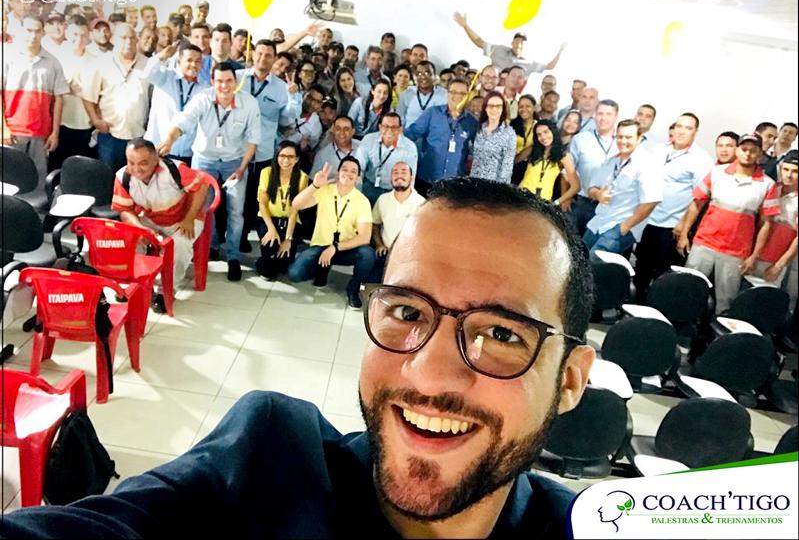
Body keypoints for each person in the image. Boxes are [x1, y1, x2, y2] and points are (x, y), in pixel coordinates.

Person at [0, 177, 595, 539]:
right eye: (407, 311)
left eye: (502, 334)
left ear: (570, 380)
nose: (429, 372)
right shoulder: (269, 457)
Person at [156, 62, 262, 281]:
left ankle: (233, 256)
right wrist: (169, 140)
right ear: (212, 81)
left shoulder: (249, 103)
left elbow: (253, 139)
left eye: (229, 81)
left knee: (235, 210)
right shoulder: (203, 99)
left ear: (236, 82)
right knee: (202, 207)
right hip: (205, 160)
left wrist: (242, 168)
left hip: (234, 161)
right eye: (219, 81)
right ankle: (210, 246)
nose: (225, 86)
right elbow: (183, 121)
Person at [678, 133, 780, 313]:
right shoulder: (717, 172)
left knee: (726, 301)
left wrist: (754, 256)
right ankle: (682, 325)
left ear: (760, 154)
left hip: (736, 252)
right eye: (744, 149)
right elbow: (697, 203)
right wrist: (684, 234)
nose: (747, 153)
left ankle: (717, 330)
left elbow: (766, 224)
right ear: (737, 150)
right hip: (704, 243)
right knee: (688, 290)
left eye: (753, 150)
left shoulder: (767, 184)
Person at [111, 139, 209, 312]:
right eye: (131, 163)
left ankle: (166, 292)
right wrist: (140, 228)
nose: (136, 169)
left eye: (143, 163)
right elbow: (124, 210)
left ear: (155, 159)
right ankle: (136, 284)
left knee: (179, 245)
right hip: (152, 218)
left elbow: (202, 188)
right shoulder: (123, 176)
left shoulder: (174, 169)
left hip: (185, 217)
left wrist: (189, 218)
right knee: (130, 238)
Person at [633, 113, 714, 302]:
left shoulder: (701, 159)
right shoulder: (659, 150)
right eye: (679, 126)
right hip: (647, 220)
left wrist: (683, 225)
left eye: (688, 128)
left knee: (663, 277)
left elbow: (700, 199)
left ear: (695, 132)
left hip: (672, 226)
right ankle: (635, 308)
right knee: (641, 270)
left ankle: (656, 310)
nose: (682, 131)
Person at [237, 39, 300, 253]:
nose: (263, 58)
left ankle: (243, 236)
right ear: (253, 54)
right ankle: (222, 239)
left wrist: (293, 97)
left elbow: (286, 119)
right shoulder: (237, 78)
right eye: (260, 53)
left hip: (262, 153)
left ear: (274, 59)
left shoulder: (282, 88)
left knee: (252, 200)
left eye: (268, 55)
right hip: (235, 151)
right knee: (231, 199)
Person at [288, 157, 375, 309]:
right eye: (345, 169)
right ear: (338, 172)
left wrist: (335, 247)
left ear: (358, 177)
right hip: (320, 246)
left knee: (367, 254)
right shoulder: (325, 190)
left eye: (353, 171)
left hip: (345, 249)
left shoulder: (362, 201)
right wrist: (314, 185)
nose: (348, 173)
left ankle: (353, 290)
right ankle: (322, 269)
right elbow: (296, 204)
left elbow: (365, 237)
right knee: (295, 274)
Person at [2, 15, 68, 184]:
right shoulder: (7, 57)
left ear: (43, 33)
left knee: (37, 180)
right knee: (8, 180)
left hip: (41, 133)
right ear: (20, 31)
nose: (33, 35)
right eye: (28, 30)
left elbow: (58, 100)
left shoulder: (53, 63)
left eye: (37, 31)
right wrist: (3, 127)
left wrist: (55, 133)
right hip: (12, 131)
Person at [583, 119, 662, 257]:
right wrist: (598, 194)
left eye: (628, 137)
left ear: (639, 138)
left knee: (595, 262)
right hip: (599, 221)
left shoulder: (648, 164)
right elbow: (591, 188)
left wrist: (625, 227)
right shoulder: (611, 161)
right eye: (620, 137)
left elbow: (651, 201)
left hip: (620, 226)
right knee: (579, 256)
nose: (623, 141)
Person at [82, 23, 151, 172]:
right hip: (110, 134)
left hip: (138, 134)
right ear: (113, 39)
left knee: (135, 178)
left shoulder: (148, 64)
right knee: (108, 176)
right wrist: (96, 120)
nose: (128, 42)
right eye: (123, 38)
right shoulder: (101, 63)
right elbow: (88, 96)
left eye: (132, 38)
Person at [404, 77, 479, 196]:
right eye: (453, 92)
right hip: (427, 180)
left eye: (462, 93)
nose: (457, 96)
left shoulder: (472, 122)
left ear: (467, 96)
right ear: (447, 93)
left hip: (455, 185)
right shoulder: (432, 113)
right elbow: (410, 134)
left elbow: (477, 149)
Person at [143, 42, 208, 166]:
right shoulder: (165, 77)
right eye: (189, 60)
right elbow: (147, 73)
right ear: (179, 61)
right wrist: (161, 56)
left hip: (187, 151)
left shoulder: (205, 88)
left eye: (198, 61)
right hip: (158, 147)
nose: (193, 64)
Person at [46, 15, 97, 170]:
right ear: (67, 33)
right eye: (75, 34)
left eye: (83, 35)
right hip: (61, 122)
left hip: (85, 123)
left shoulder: (95, 60)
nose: (79, 39)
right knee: (57, 168)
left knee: (80, 169)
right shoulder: (55, 57)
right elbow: (49, 88)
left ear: (89, 36)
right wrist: (68, 88)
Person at [749, 150, 798, 311]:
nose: (789, 175)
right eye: (786, 169)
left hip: (774, 260)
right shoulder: (771, 187)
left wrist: (779, 266)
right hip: (751, 253)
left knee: (762, 304)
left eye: (795, 171)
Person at [565, 99, 620, 235]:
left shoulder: (622, 142)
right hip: (581, 203)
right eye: (600, 113)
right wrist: (566, 196)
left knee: (597, 246)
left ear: (616, 117)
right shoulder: (580, 139)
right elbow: (567, 171)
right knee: (573, 242)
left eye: (608, 114)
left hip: (610, 206)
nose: (603, 118)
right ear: (595, 115)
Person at [255, 141, 308, 280]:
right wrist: (271, 229)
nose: (286, 160)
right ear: (277, 156)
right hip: (269, 219)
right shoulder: (266, 173)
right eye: (282, 156)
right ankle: (264, 260)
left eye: (291, 157)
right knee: (269, 253)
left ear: (297, 159)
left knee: (284, 263)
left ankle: (277, 260)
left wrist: (288, 239)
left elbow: (294, 211)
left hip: (290, 221)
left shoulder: (302, 177)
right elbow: (262, 204)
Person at [454, 12, 567, 77]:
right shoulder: (499, 50)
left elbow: (550, 66)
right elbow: (479, 42)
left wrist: (560, 51)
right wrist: (465, 26)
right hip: (493, 88)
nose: (518, 45)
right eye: (517, 41)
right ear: (512, 43)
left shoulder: (529, 63)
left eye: (521, 43)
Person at [367, 161, 426, 282]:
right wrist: (379, 244)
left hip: (409, 257)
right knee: (369, 285)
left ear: (412, 177)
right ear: (390, 178)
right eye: (395, 172)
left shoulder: (421, 204)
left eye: (404, 172)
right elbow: (375, 224)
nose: (399, 176)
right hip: (386, 254)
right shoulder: (383, 200)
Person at [355, 112, 418, 205]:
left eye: (394, 127)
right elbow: (358, 169)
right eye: (386, 126)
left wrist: (404, 202)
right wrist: (357, 194)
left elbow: (410, 179)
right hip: (369, 185)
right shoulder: (368, 139)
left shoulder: (409, 147)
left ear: (400, 129)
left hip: (393, 190)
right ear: (380, 127)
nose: (389, 130)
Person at [519, 120, 580, 206]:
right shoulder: (533, 149)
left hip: (542, 203)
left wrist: (556, 203)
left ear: (553, 131)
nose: (543, 137)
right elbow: (512, 161)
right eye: (539, 134)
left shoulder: (563, 155)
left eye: (546, 132)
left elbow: (576, 186)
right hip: (521, 198)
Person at [469, 91, 516, 183]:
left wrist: (500, 189)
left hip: (494, 185)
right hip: (474, 182)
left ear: (503, 109)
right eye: (491, 105)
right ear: (485, 108)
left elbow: (507, 167)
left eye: (498, 106)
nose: (494, 109)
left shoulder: (509, 133)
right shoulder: (479, 129)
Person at [397, 60, 448, 128]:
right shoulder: (406, 94)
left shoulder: (444, 95)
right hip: (410, 133)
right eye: (419, 74)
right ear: (415, 76)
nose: (423, 77)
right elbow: (399, 119)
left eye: (427, 73)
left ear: (434, 76)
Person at [510, 94, 537, 184]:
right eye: (521, 107)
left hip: (527, 169)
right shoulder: (512, 124)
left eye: (528, 106)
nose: (524, 109)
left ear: (534, 108)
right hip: (510, 167)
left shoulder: (539, 126)